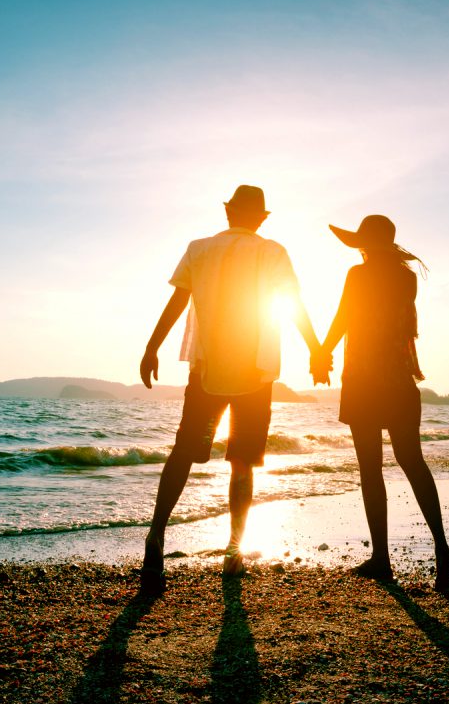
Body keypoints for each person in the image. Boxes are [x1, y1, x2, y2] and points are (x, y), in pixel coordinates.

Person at [139, 185, 325, 594]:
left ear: (227, 212)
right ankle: (233, 552)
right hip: (255, 374)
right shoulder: (272, 251)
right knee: (242, 462)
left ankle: (155, 538)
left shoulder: (199, 248)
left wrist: (152, 348)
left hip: (207, 369)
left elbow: (177, 302)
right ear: (261, 217)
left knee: (184, 451)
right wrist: (316, 350)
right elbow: (293, 303)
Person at [318, 214, 449, 593]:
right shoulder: (406, 277)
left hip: (363, 379)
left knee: (370, 468)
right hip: (398, 380)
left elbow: (344, 318)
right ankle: (443, 556)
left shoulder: (359, 274)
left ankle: (382, 558)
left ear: (366, 243)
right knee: (412, 460)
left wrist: (322, 354)